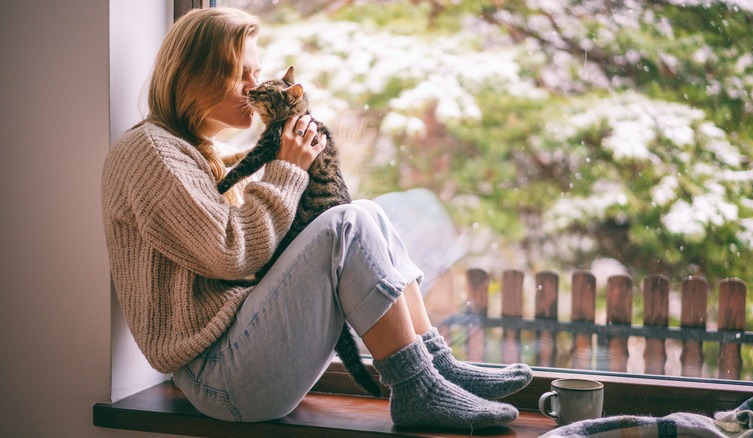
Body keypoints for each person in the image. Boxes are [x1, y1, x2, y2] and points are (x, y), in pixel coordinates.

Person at [102, 7, 532, 430]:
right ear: (195, 74)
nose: (255, 86)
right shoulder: (150, 152)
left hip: (236, 361)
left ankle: (436, 367)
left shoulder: (196, 155)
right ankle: (418, 388)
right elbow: (231, 254)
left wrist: (287, 163)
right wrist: (286, 171)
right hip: (219, 378)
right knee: (348, 223)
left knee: (367, 213)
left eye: (257, 72)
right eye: (241, 74)